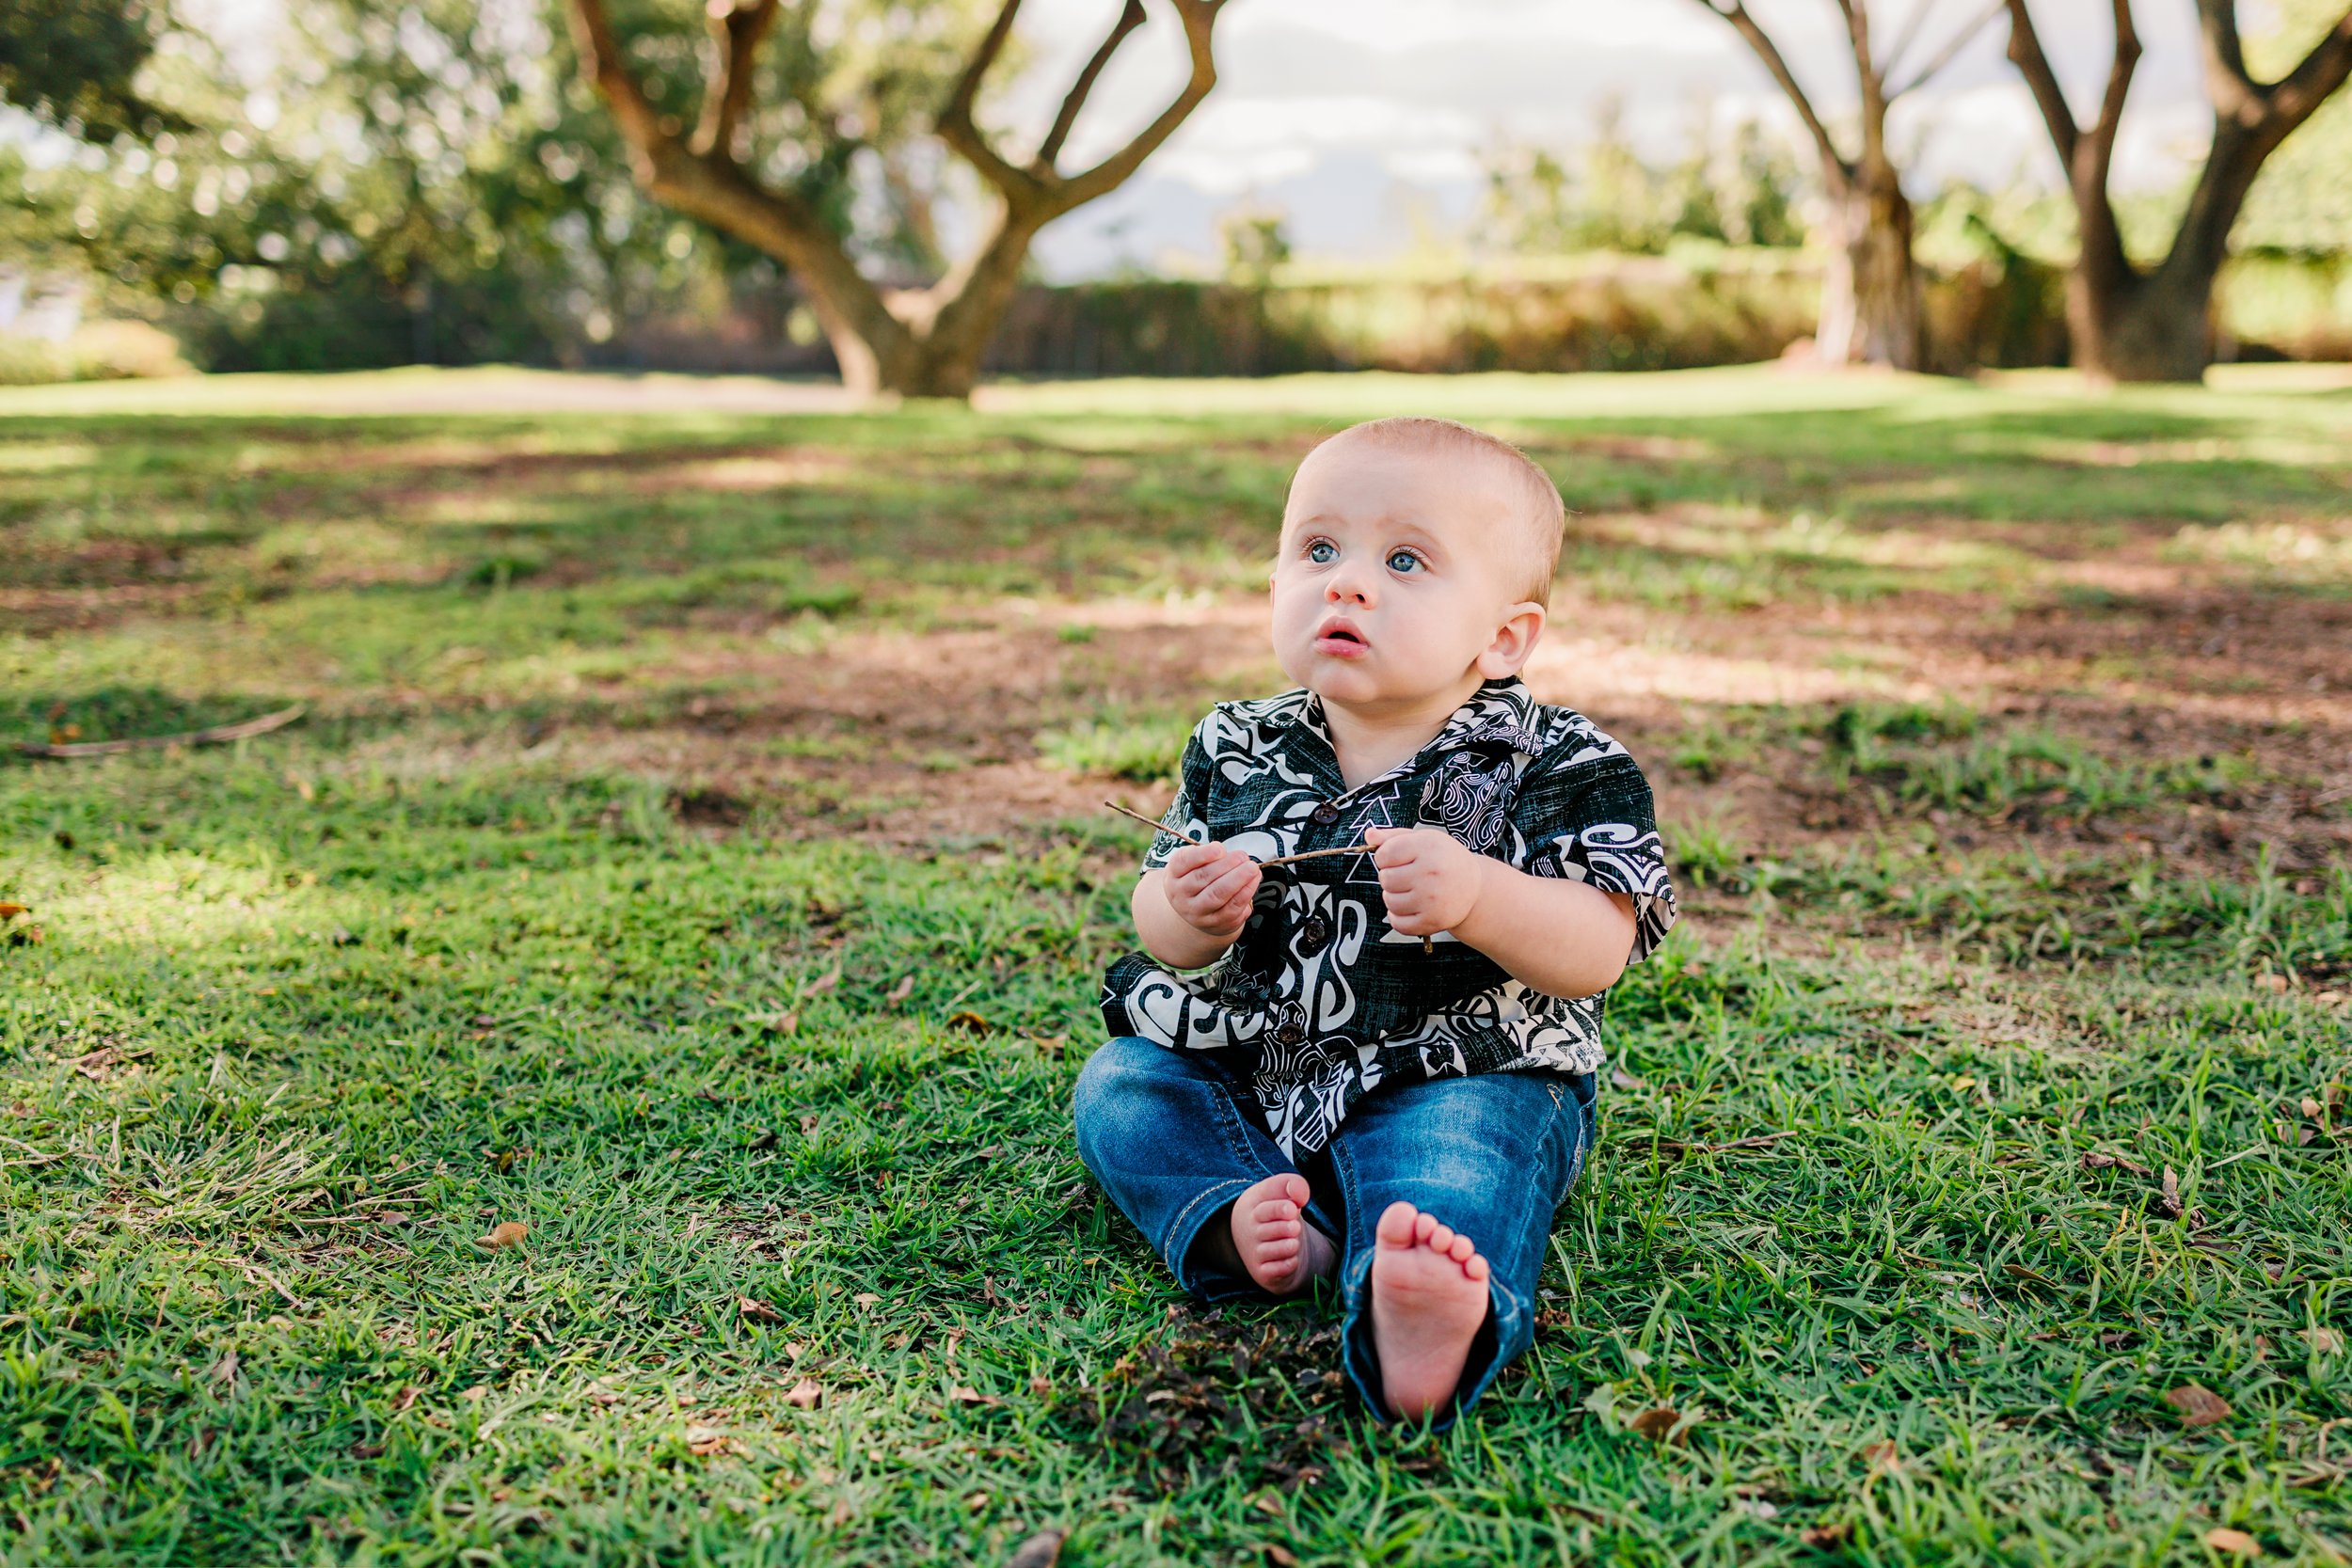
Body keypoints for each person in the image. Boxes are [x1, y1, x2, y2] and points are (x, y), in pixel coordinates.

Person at [1073, 416, 1677, 1425]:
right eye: (1317, 549)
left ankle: (1426, 1311)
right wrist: (1187, 909)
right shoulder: (1237, 743)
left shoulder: (1558, 761)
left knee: (1463, 1154)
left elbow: (1598, 947)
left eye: (1404, 559)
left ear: (1503, 636)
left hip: (1457, 1072)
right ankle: (1243, 1216)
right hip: (1257, 1068)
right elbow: (1160, 931)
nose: (1346, 582)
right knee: (1123, 1083)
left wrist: (1483, 895)